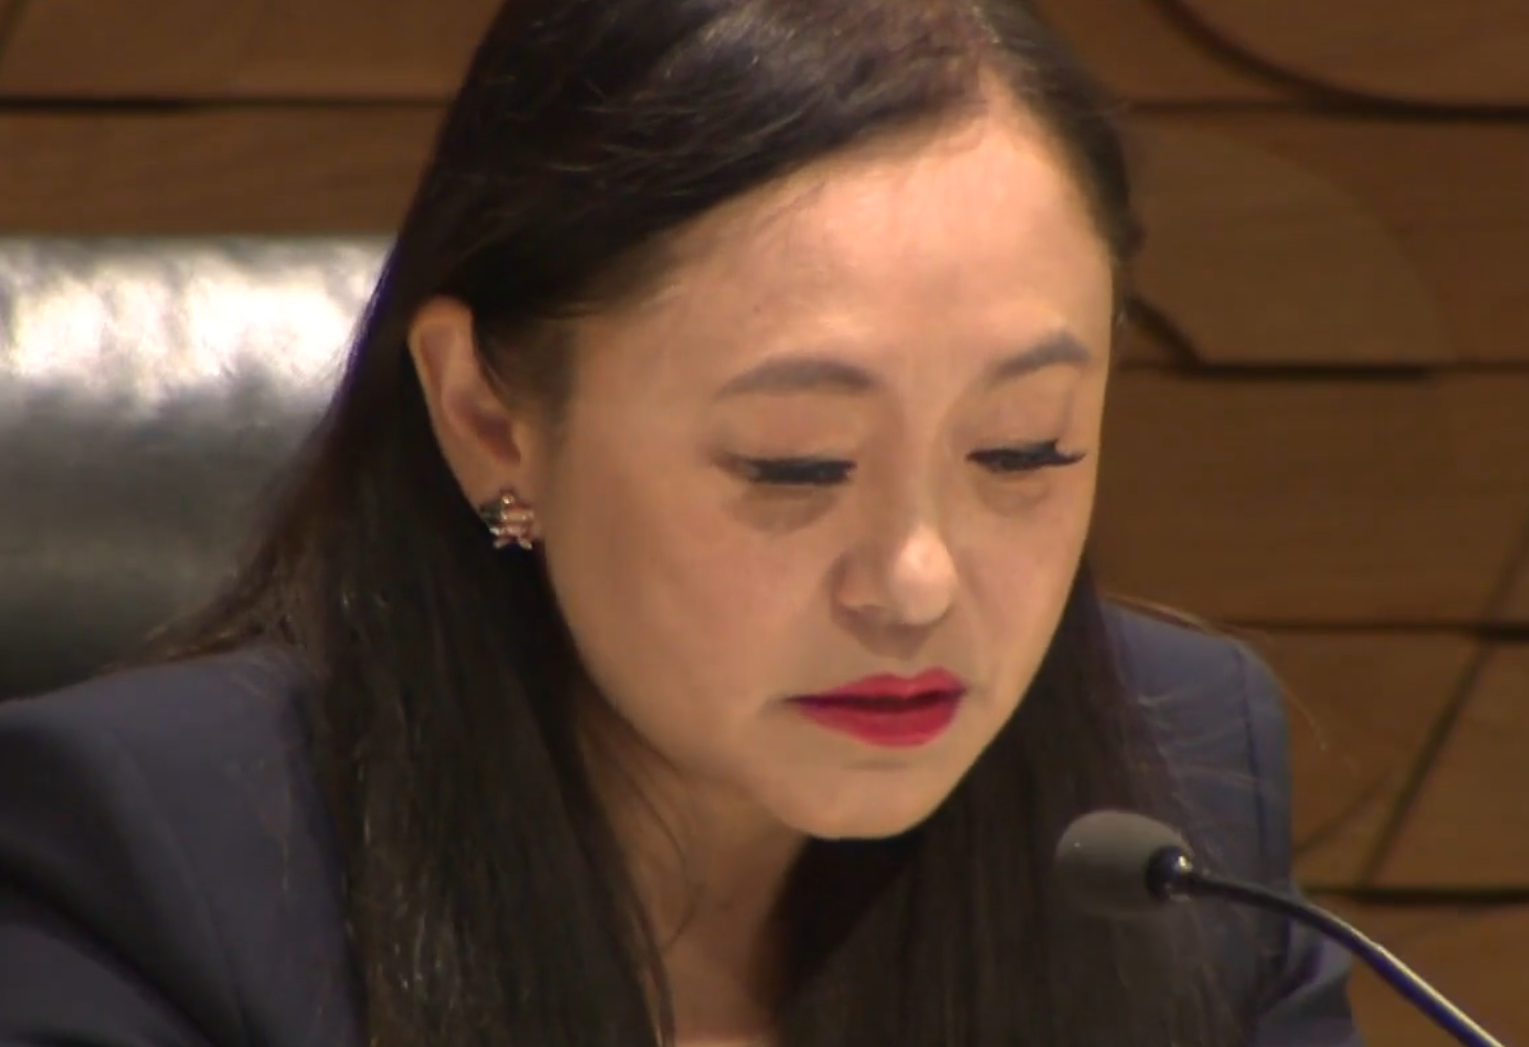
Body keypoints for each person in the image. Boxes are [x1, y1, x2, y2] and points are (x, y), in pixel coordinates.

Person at [0, 0, 1363, 1045]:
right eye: (795, 464)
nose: (915, 581)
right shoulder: (153, 867)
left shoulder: (1178, 809)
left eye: (1023, 449)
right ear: (488, 417)